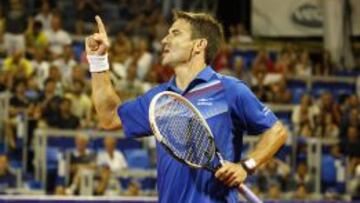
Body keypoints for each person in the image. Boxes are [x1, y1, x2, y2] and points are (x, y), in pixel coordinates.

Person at [85, 11, 288, 202]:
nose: (165, 40)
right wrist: (97, 60)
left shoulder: (229, 90)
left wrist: (246, 166)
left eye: (175, 33)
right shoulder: (160, 98)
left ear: (199, 45)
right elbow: (110, 117)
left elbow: (277, 131)